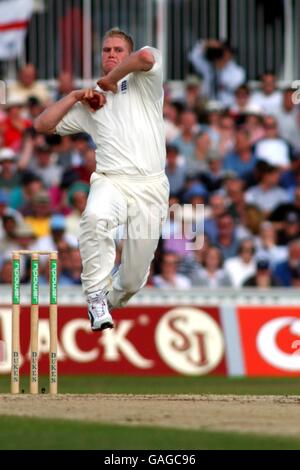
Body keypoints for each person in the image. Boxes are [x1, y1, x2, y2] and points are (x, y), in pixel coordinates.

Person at [34, 28, 169, 331]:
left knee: (133, 277)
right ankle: (95, 294)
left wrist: (110, 80)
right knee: (94, 218)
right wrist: (73, 96)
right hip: (111, 180)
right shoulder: (89, 101)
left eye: (118, 50)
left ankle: (111, 300)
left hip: (151, 186)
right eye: (106, 50)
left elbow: (145, 57)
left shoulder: (145, 80)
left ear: (127, 53)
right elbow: (42, 125)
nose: (111, 54)